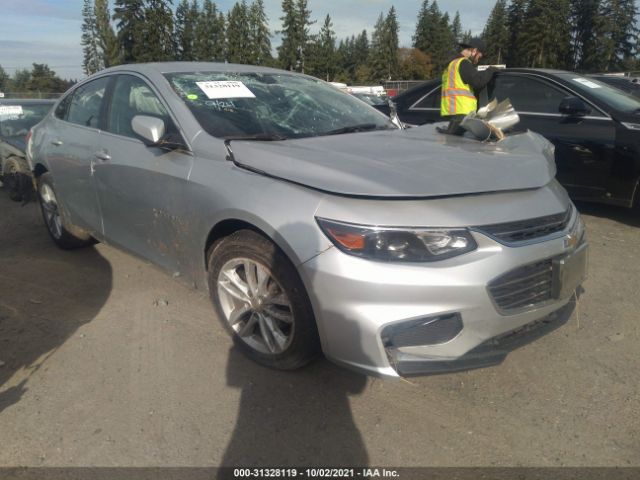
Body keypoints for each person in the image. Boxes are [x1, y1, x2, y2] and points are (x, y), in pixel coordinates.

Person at [440, 37, 499, 135]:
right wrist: (491, 70)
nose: (479, 58)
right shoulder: (463, 63)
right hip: (462, 115)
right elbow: (478, 82)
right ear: (474, 50)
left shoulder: (452, 64)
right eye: (479, 55)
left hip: (455, 114)